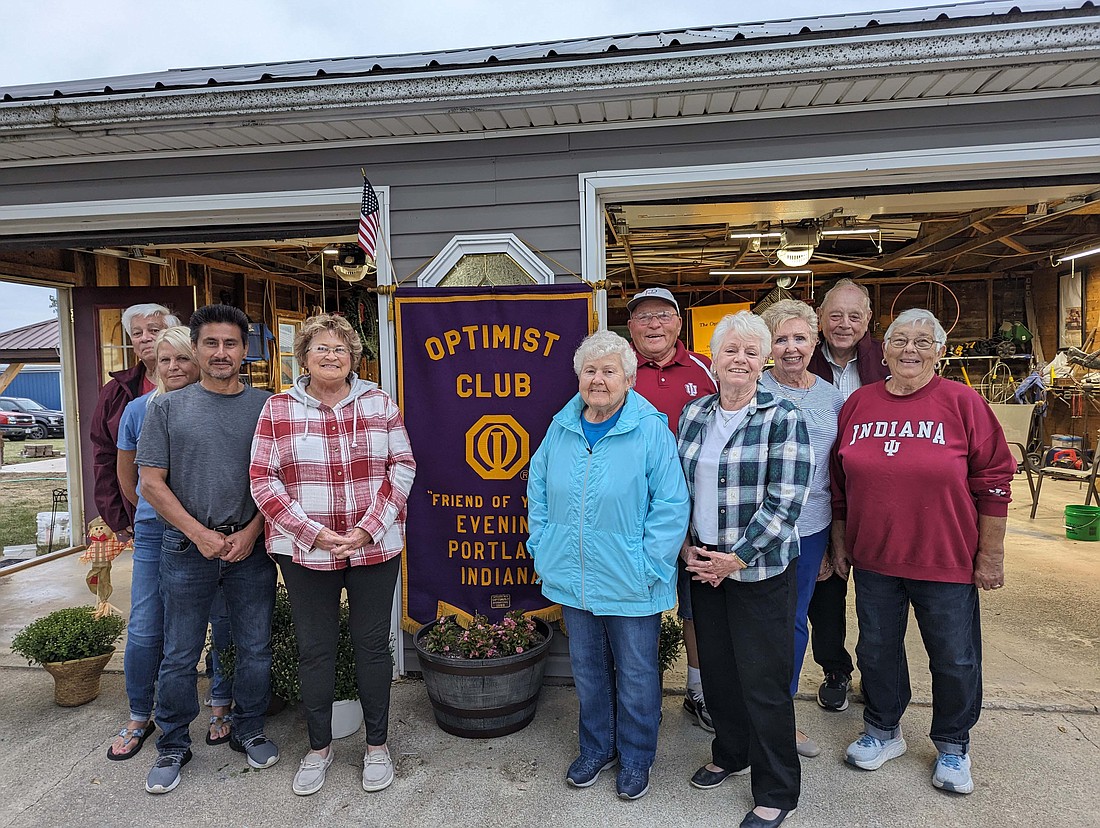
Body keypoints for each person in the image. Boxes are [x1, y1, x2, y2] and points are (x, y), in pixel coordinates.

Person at [831, 308, 1014, 795]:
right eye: (900, 340)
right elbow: (840, 484)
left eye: (922, 341)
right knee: (876, 649)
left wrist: (990, 555)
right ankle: (883, 730)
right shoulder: (858, 404)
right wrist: (840, 540)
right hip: (874, 558)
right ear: (883, 349)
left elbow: (995, 481)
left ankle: (953, 744)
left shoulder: (962, 402)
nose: (910, 349)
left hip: (945, 557)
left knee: (954, 658)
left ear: (940, 350)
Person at [249, 313, 416, 797]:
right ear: (303, 357)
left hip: (375, 546)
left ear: (353, 358)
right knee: (316, 648)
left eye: (340, 349)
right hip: (304, 551)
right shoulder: (279, 409)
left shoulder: (378, 402)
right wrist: (312, 533)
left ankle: (377, 747)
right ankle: (318, 748)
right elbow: (263, 479)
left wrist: (368, 529)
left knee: (370, 645)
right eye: (320, 348)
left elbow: (402, 465)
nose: (331, 356)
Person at [527, 330, 689, 802]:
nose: (598, 380)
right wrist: (543, 543)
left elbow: (672, 504)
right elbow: (537, 488)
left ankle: (637, 757)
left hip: (631, 578)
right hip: (573, 574)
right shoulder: (562, 427)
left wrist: (648, 563)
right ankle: (597, 748)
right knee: (588, 669)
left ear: (629, 378)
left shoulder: (649, 428)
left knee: (637, 674)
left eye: (608, 371)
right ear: (579, 377)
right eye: (590, 370)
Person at [137, 304, 278, 795]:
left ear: (246, 350)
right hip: (185, 548)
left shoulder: (267, 407)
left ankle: (248, 727)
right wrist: (199, 533)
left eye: (231, 344)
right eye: (211, 344)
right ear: (196, 349)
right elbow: (151, 482)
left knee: (255, 647)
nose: (222, 353)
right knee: (180, 652)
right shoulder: (167, 408)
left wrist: (254, 531)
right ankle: (173, 743)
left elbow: (282, 481)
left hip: (250, 547)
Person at [678, 311, 811, 828]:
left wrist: (736, 558)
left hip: (757, 570)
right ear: (713, 358)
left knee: (764, 679)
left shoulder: (782, 417)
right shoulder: (693, 414)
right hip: (703, 562)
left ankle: (778, 787)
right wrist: (687, 547)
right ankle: (731, 753)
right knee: (718, 670)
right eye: (730, 350)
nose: (739, 359)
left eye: (751, 351)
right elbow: (677, 491)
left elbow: (785, 504)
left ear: (766, 360)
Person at [107, 326, 235, 760]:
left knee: (221, 618)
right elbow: (131, 480)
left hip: (212, 529)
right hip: (155, 529)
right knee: (147, 622)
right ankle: (140, 714)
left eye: (183, 358)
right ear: (154, 365)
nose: (174, 367)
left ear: (198, 360)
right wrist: (157, 512)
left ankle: (220, 704)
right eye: (165, 360)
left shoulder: (218, 406)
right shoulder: (140, 410)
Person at [625, 286, 717, 731]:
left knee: (695, 606)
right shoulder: (619, 369)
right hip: (630, 514)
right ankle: (641, 698)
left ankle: (698, 692)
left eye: (663, 315)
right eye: (644, 317)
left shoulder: (705, 369)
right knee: (634, 606)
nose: (654, 325)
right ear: (631, 328)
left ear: (679, 323)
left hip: (696, 513)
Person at [759, 300, 844, 760]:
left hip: (811, 528)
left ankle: (781, 716)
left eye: (799, 338)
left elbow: (840, 472)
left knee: (794, 622)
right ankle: (750, 709)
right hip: (759, 528)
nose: (791, 348)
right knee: (759, 622)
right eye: (780, 339)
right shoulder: (752, 389)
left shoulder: (833, 398)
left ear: (815, 342)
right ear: (767, 346)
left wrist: (835, 539)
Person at [805, 279, 889, 712]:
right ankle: (835, 669)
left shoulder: (888, 362)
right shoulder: (801, 357)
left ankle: (879, 681)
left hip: (873, 495)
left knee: (879, 597)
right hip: (820, 493)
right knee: (827, 589)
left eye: (854, 316)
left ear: (868, 321)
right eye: (835, 315)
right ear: (820, 318)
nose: (844, 324)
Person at [91, 303, 179, 540]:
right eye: (137, 333)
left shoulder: (191, 385)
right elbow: (104, 454)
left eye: (154, 330)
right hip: (143, 511)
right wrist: (117, 515)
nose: (145, 338)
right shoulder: (116, 392)